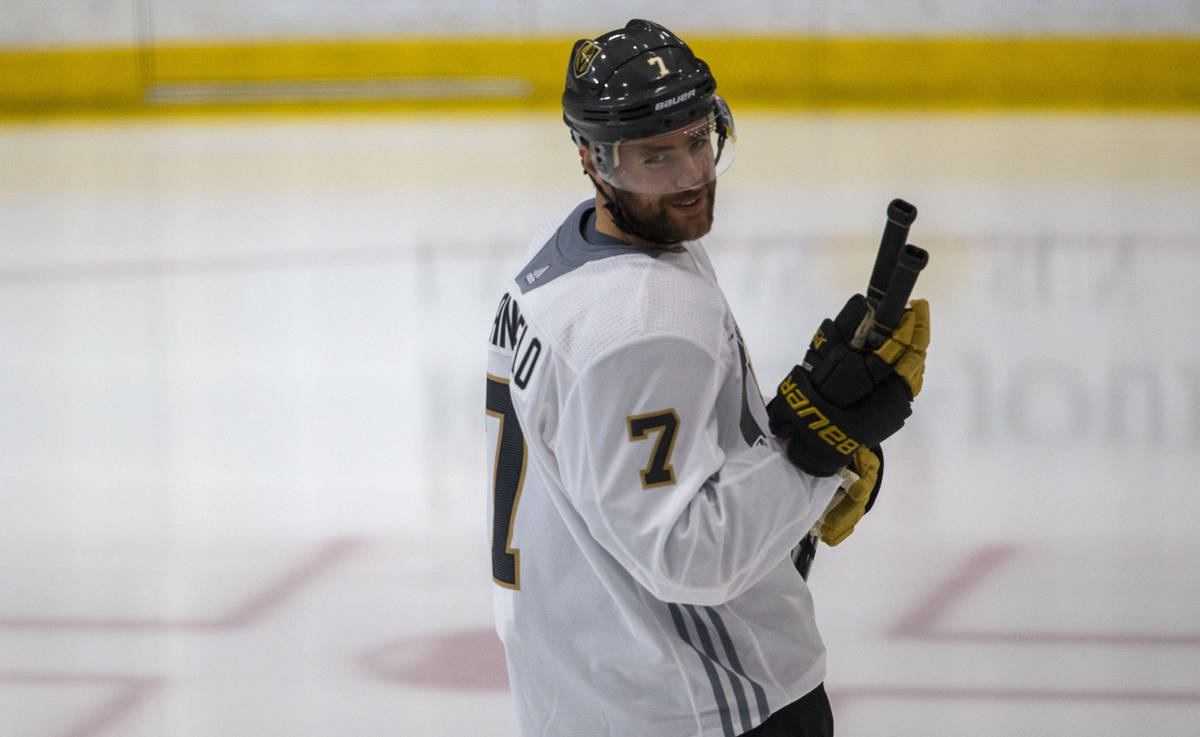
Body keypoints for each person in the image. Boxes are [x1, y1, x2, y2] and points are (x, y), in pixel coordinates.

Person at [485, 19, 929, 737]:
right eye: (655, 156)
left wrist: (787, 458)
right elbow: (685, 555)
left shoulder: (565, 256)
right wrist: (815, 453)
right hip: (704, 704)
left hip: (591, 695)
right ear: (593, 161)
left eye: (699, 138)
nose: (692, 175)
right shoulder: (641, 316)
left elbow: (630, 486)